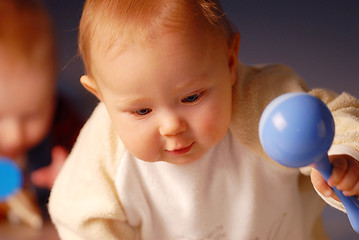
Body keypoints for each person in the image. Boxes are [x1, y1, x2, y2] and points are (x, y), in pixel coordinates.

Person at [49, 0, 359, 239]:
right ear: (101, 94)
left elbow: (334, 117)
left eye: (191, 97)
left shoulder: (263, 101)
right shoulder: (105, 147)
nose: (172, 126)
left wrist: (344, 155)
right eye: (142, 111)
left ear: (229, 61)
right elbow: (78, 213)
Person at [0, 0, 84, 228]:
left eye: (32, 115)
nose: (14, 135)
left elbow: (95, 169)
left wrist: (71, 176)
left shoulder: (64, 122)